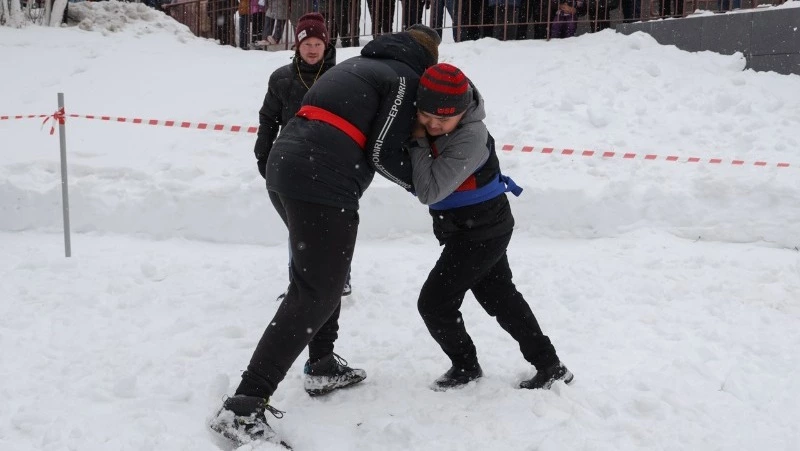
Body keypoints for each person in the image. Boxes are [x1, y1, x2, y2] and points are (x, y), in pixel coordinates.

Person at [209, 25, 441, 447]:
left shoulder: (360, 63)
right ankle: (244, 405)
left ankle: (321, 364)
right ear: (426, 59)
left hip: (288, 164)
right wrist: (430, 187)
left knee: (321, 275)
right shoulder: (404, 78)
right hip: (321, 176)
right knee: (316, 289)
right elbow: (383, 151)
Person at [404, 63, 574, 392]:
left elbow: (429, 190)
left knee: (435, 303)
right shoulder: (444, 121)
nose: (434, 125)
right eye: (427, 116)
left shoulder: (471, 135)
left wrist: (416, 139)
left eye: (443, 119)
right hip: (479, 225)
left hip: (480, 232)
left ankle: (466, 366)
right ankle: (550, 365)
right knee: (501, 298)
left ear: (462, 111)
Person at [251, 12, 352, 300]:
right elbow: (268, 118)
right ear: (297, 45)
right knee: (298, 227)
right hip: (291, 160)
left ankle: (340, 277)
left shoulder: (342, 77)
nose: (312, 49)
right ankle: (301, 282)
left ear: (326, 45)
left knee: (332, 224)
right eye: (306, 43)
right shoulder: (281, 79)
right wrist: (263, 154)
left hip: (331, 162)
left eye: (317, 43)